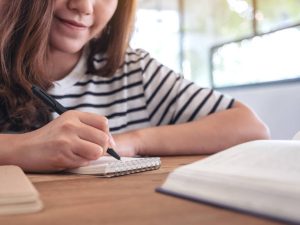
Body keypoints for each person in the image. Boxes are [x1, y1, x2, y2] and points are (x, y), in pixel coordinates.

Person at [0, 0, 269, 172]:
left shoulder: (132, 70)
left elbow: (251, 128)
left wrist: (135, 142)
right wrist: (22, 148)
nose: (84, 6)